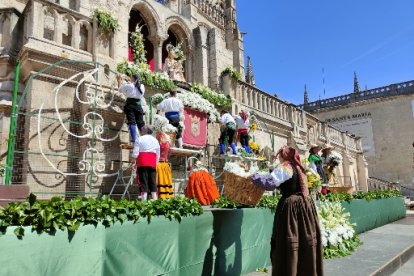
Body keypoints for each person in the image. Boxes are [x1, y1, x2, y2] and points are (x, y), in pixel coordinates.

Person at [251, 146, 323, 276]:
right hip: (306, 206)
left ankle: (290, 271)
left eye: (280, 155)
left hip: (292, 208)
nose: (278, 158)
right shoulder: (299, 168)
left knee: (289, 238)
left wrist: (254, 176)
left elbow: (270, 183)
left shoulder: (286, 167)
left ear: (284, 156)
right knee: (303, 240)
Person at [131, 126, 160, 201]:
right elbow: (158, 154)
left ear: (145, 131)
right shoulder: (155, 140)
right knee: (152, 181)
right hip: (152, 162)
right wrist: (155, 163)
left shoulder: (140, 139)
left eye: (142, 129)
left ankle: (144, 201)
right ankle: (155, 199)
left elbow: (135, 153)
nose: (141, 130)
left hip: (142, 162)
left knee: (144, 181)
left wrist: (133, 162)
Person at [116, 73, 145, 143]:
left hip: (130, 106)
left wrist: (119, 80)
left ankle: (134, 139)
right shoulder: (142, 86)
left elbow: (119, 90)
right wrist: (130, 80)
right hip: (138, 106)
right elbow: (135, 86)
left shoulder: (129, 86)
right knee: (140, 123)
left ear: (133, 79)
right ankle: (145, 138)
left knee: (132, 122)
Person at [156, 133, 173, 199]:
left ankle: (160, 196)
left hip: (159, 164)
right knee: (165, 180)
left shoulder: (160, 144)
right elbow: (170, 153)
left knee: (160, 180)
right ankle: (166, 196)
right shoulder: (168, 144)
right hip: (166, 165)